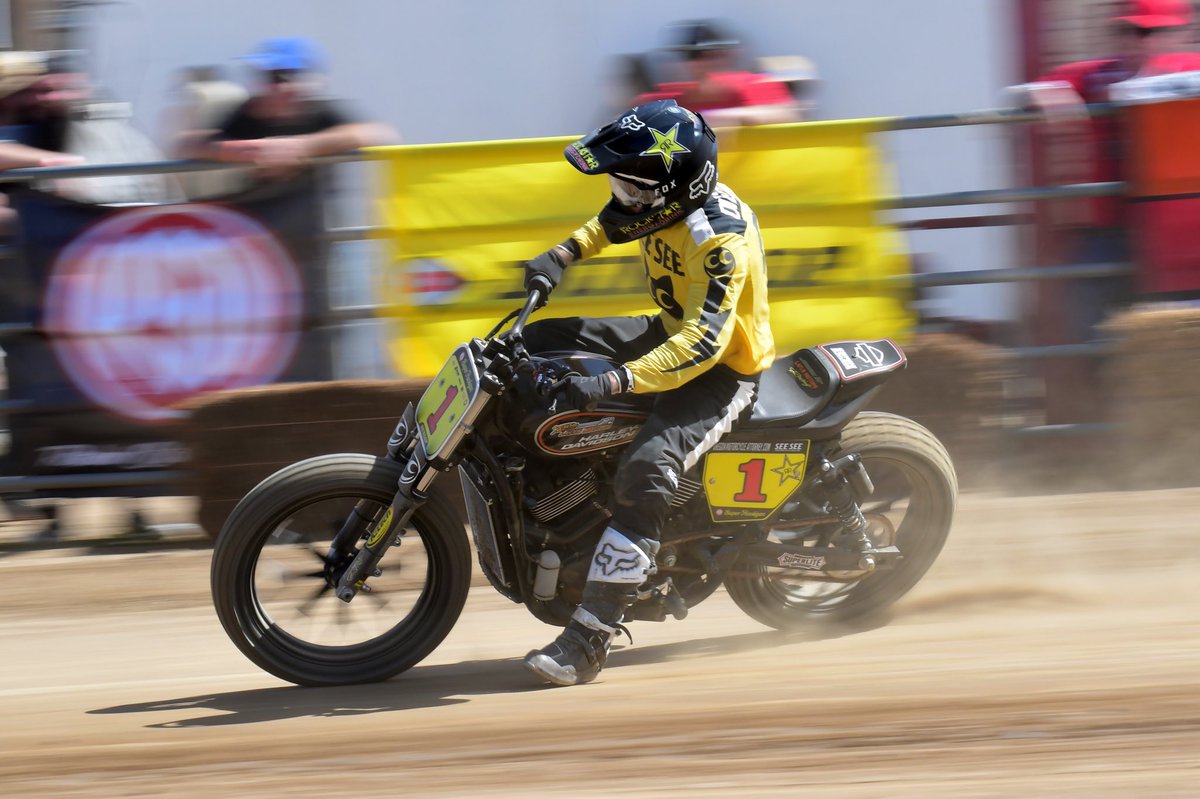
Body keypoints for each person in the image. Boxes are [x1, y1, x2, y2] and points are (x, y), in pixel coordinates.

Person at [520, 99, 775, 686]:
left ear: (674, 191)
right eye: (621, 184)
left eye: (635, 188)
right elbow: (615, 218)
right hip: (666, 331)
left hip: (720, 371)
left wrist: (613, 381)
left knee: (645, 473)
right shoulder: (660, 199)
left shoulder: (719, 241)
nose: (623, 196)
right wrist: (562, 255)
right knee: (541, 341)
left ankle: (589, 639)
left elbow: (703, 346)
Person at [1010, 0, 1200, 340]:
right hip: (1109, 229)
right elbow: (1020, 94)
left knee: (1181, 318)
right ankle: (1101, 377)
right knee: (1085, 305)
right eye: (1125, 30)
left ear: (1180, 33)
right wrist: (1043, 95)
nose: (1139, 41)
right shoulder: (1096, 73)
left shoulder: (1193, 69)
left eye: (1150, 31)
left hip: (1182, 230)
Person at [180, 37, 397, 187]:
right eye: (264, 77)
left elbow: (382, 134)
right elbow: (187, 145)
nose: (269, 87)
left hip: (315, 233)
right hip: (258, 230)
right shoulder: (246, 113)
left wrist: (303, 146)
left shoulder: (321, 113)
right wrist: (246, 150)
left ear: (304, 82)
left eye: (279, 78)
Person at [634, 19, 801, 126]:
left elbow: (789, 115)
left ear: (728, 55)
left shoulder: (754, 86)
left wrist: (722, 118)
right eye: (692, 55)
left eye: (712, 54)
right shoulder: (669, 99)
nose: (701, 63)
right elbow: (630, 122)